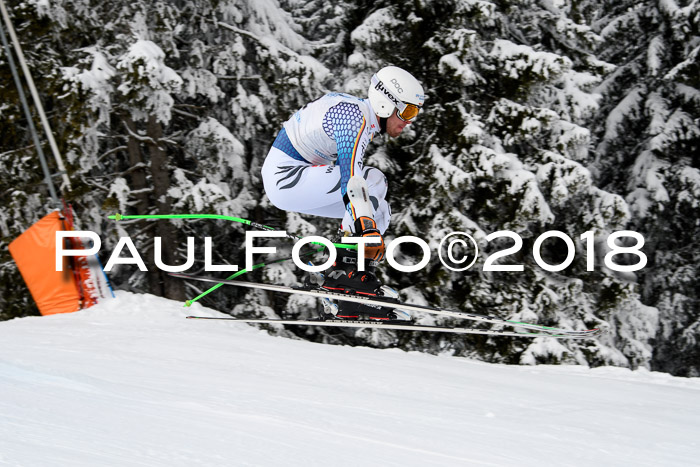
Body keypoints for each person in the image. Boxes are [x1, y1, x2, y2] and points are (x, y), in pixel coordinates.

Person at [261, 66, 426, 320]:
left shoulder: (360, 116)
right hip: (286, 177)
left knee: (379, 205)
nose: (410, 120)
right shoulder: (353, 118)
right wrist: (367, 228)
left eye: (415, 112)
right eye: (407, 110)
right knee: (371, 182)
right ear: (385, 103)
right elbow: (350, 177)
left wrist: (367, 225)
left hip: (294, 177)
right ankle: (344, 276)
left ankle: (355, 281)